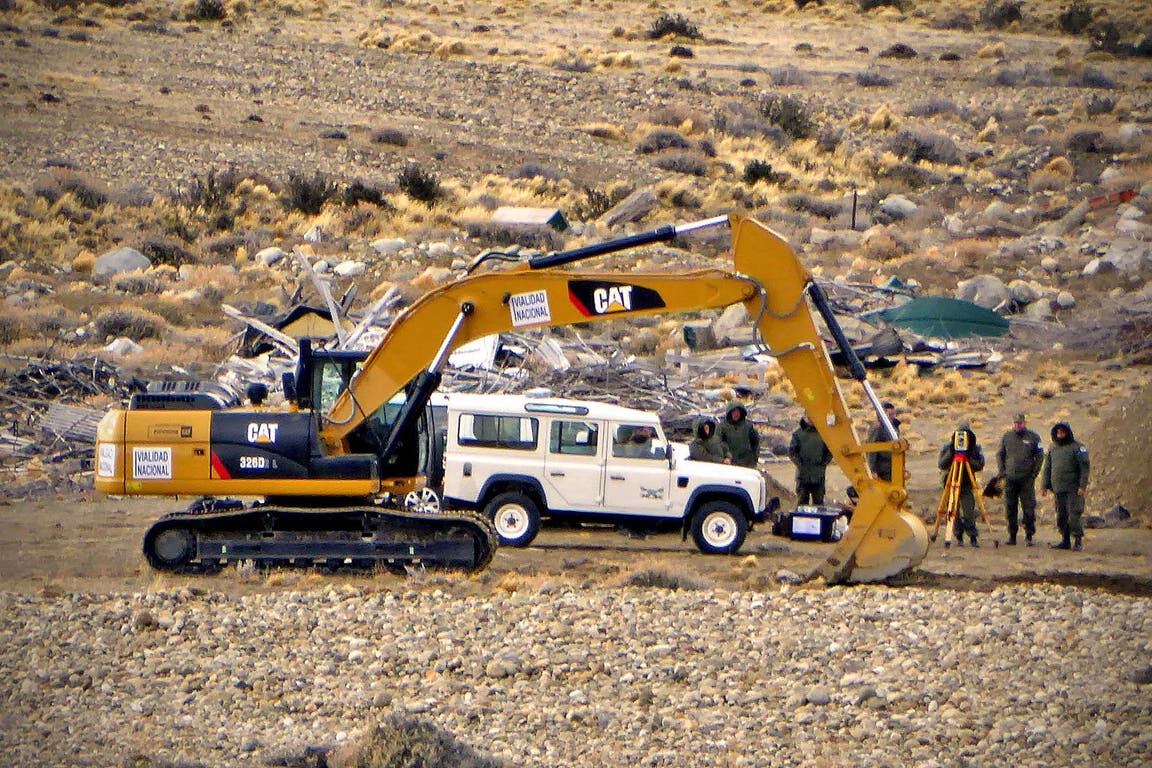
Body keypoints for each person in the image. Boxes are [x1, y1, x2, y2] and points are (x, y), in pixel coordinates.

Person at [996, 413, 1044, 546]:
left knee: (1028, 508)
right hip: (1010, 479)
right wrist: (1002, 472)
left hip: (1026, 480)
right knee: (1010, 508)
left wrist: (1034, 474)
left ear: (1024, 423)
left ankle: (1029, 535)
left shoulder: (1033, 437)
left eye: (1020, 423)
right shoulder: (1007, 437)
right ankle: (1012, 536)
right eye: (1015, 423)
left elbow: (1040, 456)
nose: (1017, 425)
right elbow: (1000, 454)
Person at [1042, 422, 1090, 551]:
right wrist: (1044, 486)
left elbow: (1084, 468)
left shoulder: (1078, 448)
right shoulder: (1053, 448)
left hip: (1073, 489)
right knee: (1061, 516)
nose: (1060, 435)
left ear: (1067, 433)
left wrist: (1082, 486)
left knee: (1074, 515)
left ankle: (1078, 541)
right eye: (1058, 432)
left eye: (1062, 432)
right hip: (1058, 488)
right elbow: (1047, 468)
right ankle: (1065, 540)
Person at [938, 423, 985, 547]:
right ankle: (958, 536)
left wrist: (968, 457)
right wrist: (953, 452)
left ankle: (973, 537)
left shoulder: (975, 448)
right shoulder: (948, 447)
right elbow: (942, 464)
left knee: (969, 512)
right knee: (953, 513)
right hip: (951, 483)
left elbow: (980, 465)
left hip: (966, 485)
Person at [788, 417, 833, 505]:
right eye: (808, 416)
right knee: (802, 502)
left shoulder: (823, 434)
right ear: (805, 418)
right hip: (802, 475)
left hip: (818, 475)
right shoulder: (798, 434)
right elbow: (792, 452)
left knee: (819, 503)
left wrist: (823, 464)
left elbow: (830, 451)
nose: (811, 419)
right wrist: (800, 465)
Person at [867, 402, 901, 482]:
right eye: (890, 414)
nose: (892, 416)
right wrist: (872, 470)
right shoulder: (877, 428)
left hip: (893, 465)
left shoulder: (894, 426)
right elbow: (872, 449)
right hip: (882, 467)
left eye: (893, 414)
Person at [719, 402, 759, 469]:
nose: (736, 414)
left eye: (738, 412)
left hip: (746, 463)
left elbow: (755, 443)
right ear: (729, 413)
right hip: (729, 463)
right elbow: (718, 443)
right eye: (733, 412)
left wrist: (754, 459)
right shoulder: (722, 427)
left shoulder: (748, 426)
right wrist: (724, 458)